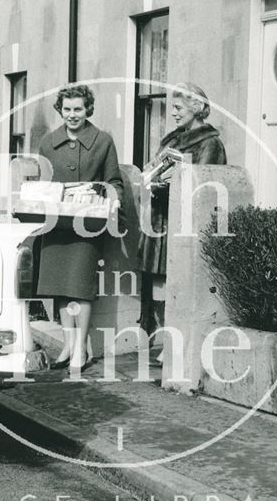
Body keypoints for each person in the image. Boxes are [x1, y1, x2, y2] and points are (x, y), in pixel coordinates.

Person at [136, 82, 227, 363]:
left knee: (182, 286)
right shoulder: (171, 140)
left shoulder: (210, 143)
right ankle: (165, 339)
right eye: (172, 108)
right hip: (160, 223)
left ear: (196, 108)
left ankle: (178, 344)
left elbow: (207, 186)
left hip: (184, 225)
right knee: (160, 286)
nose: (173, 113)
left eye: (178, 107)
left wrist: (176, 180)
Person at [36, 84, 123, 373]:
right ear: (60, 110)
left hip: (87, 225)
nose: (72, 115)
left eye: (78, 109)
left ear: (88, 110)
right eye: (67, 109)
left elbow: (114, 182)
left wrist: (107, 199)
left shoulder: (103, 141)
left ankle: (80, 351)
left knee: (80, 288)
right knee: (61, 289)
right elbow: (42, 182)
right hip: (57, 225)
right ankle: (69, 344)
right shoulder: (48, 143)